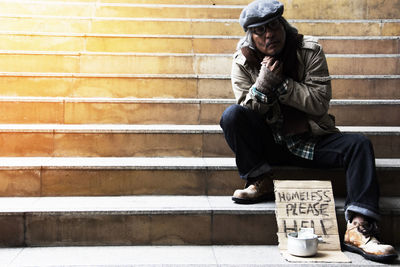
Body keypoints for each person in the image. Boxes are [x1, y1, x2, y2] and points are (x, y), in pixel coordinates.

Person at [219, 0, 398, 263]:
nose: (269, 34)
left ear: (282, 25)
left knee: (359, 144)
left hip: (311, 141)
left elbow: (318, 102)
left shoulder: (310, 51)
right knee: (232, 116)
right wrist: (262, 86)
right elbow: (247, 110)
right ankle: (260, 179)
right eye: (260, 31)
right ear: (251, 37)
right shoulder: (243, 62)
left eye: (273, 26)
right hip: (270, 144)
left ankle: (358, 228)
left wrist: (282, 86)